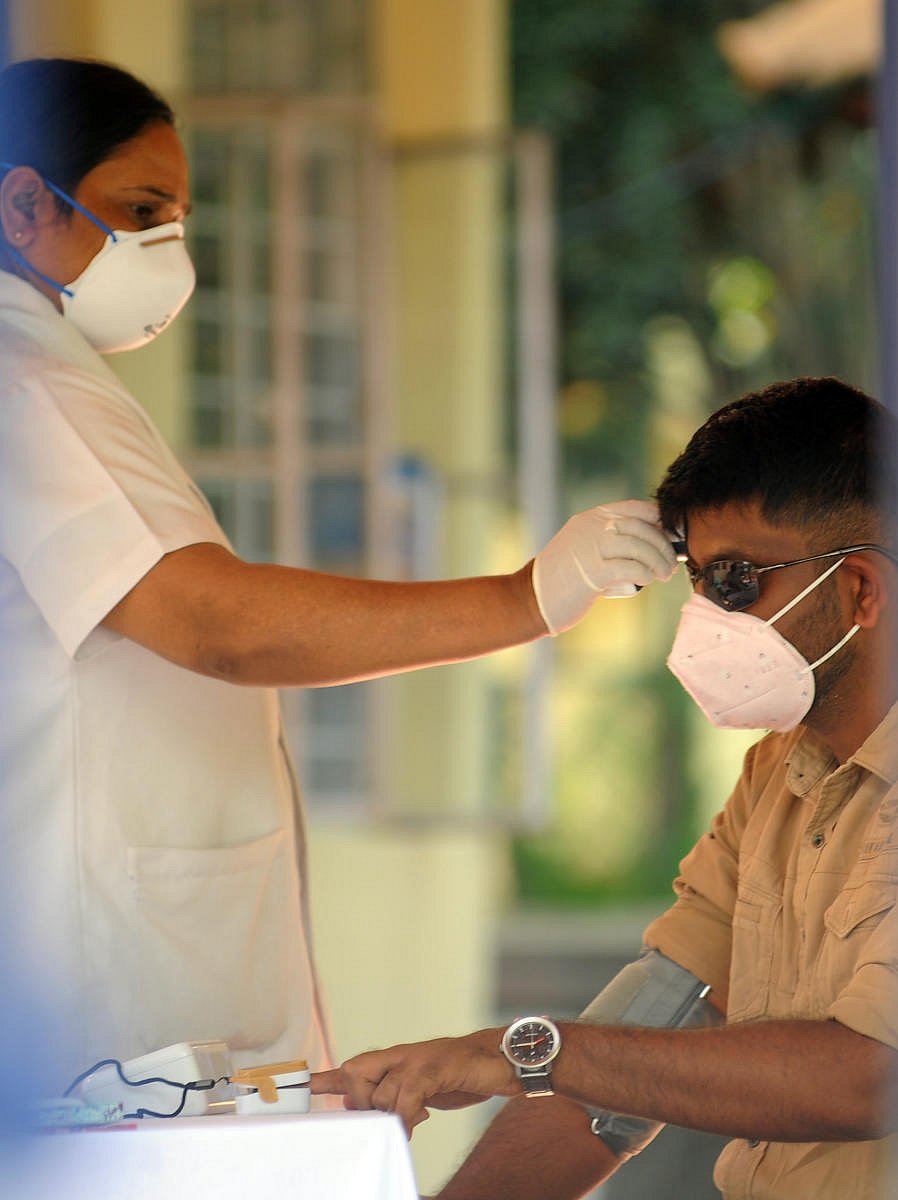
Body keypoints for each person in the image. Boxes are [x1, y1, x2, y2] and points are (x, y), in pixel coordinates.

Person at [0, 56, 676, 1095]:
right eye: (139, 210)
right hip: (101, 1012)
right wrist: (525, 596)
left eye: (177, 218)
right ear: (21, 203)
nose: (167, 252)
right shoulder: (25, 375)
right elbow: (215, 622)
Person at [312, 376, 898, 1200]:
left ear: (860, 590)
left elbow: (865, 1080)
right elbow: (652, 1021)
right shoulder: (778, 774)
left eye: (734, 581)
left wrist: (529, 1051)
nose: (705, 613)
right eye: (696, 577)